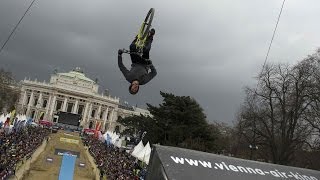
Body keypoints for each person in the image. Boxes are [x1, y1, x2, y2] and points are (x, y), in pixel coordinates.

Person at [118, 29, 157, 95]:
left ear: (131, 86)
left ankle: (137, 38)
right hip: (145, 64)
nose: (135, 88)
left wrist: (119, 55)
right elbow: (154, 73)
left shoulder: (128, 77)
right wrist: (150, 65)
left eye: (133, 88)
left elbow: (121, 66)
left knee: (132, 46)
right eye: (136, 89)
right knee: (146, 50)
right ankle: (151, 36)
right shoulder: (143, 81)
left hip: (135, 62)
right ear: (138, 88)